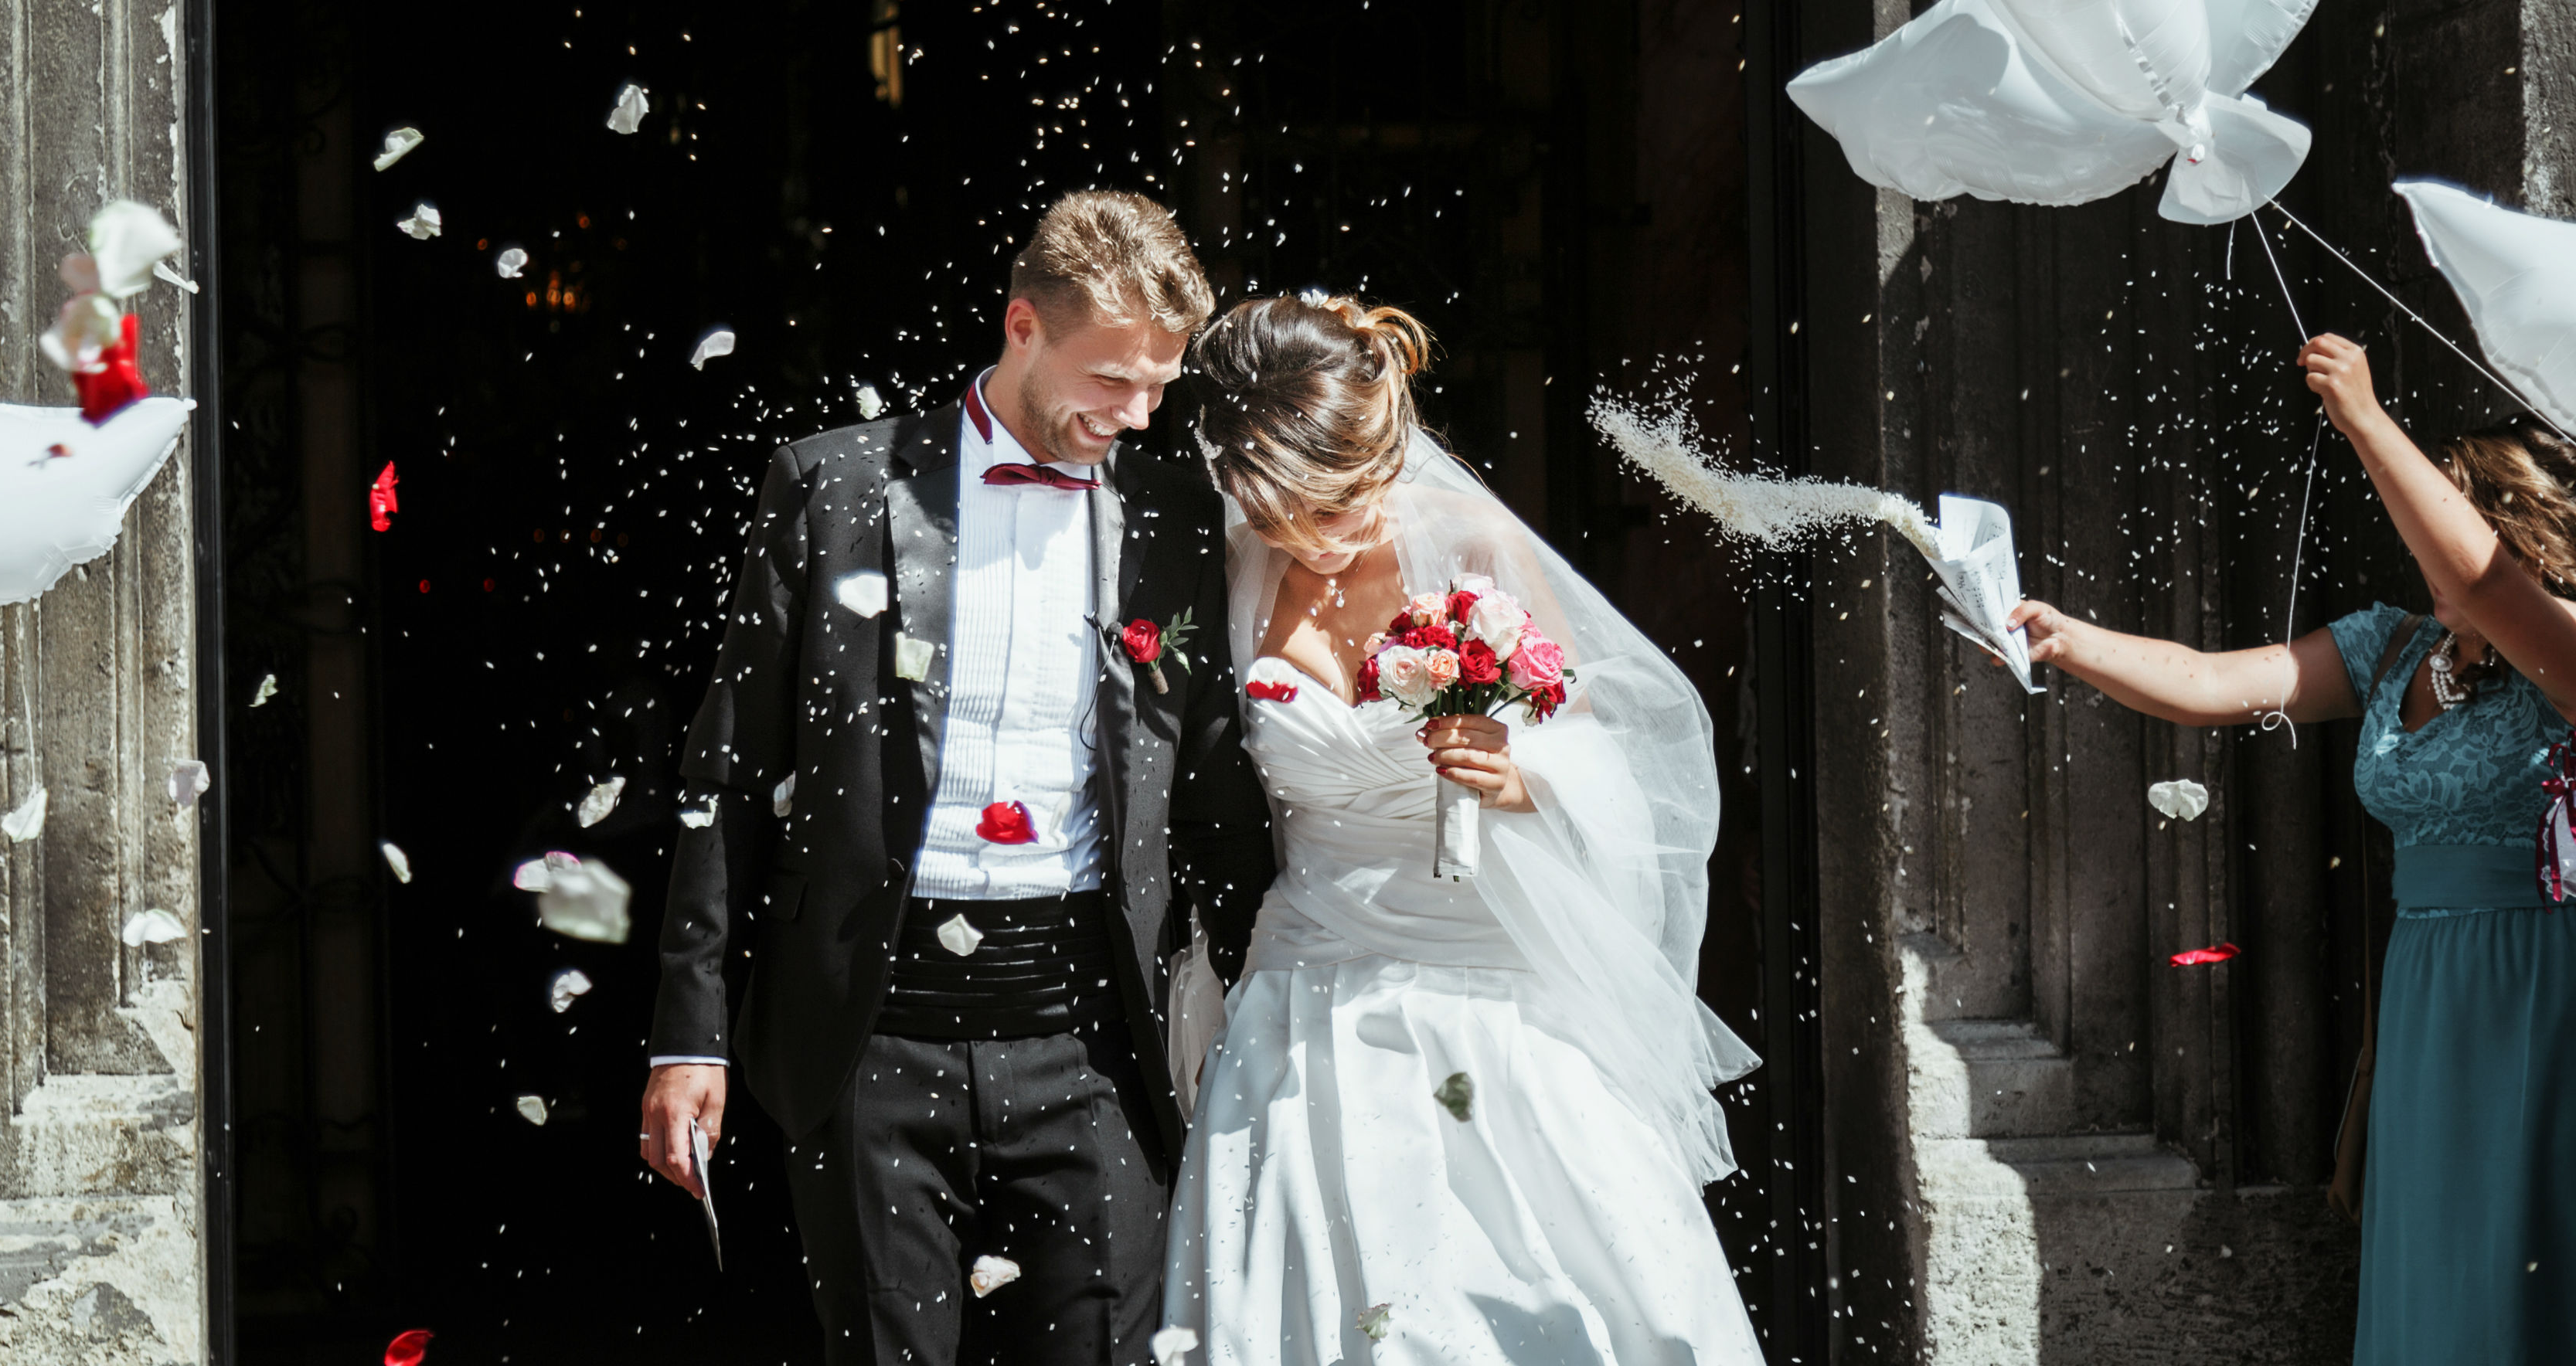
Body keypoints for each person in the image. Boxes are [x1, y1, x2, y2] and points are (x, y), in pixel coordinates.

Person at [636, 189, 1277, 1366]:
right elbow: (724, 775)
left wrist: (1282, 1007)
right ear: (1021, 328)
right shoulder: (832, 490)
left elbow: (1217, 801)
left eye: (1158, 387)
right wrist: (692, 1036)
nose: (1135, 417)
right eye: (1109, 381)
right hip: (872, 1031)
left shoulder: (1178, 517)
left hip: (1092, 1032)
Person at [2008, 335, 2576, 1365]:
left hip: (2558, 995)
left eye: (2445, 517)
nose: (2419, 541)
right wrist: (2067, 641)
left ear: (2513, 534)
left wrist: (2367, 420)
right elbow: (2202, 681)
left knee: (2556, 1294)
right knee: (2444, 1294)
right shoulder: (2393, 645)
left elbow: (2493, 585)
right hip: (2432, 996)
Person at [1160, 293, 1764, 1365]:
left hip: (1489, 981)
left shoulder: (1474, 546)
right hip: (1308, 983)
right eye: (1299, 507)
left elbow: (1613, 761)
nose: (1329, 532)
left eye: (1351, 500)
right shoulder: (1222, 565)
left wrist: (1519, 778)